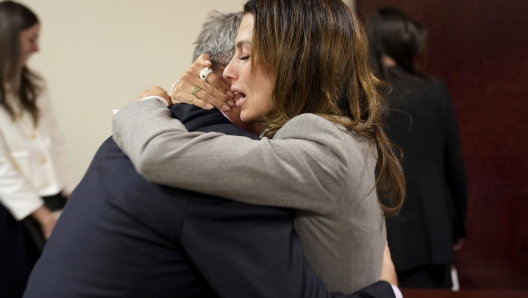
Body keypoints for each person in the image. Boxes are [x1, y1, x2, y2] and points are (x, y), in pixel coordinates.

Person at [24, 11, 400, 298]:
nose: (238, 70)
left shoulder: (134, 132)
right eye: (238, 56)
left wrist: (150, 102)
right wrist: (388, 290)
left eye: (248, 56)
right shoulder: (213, 164)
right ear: (216, 75)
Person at [366, 7, 468, 288]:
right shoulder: (434, 92)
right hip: (432, 236)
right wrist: (458, 227)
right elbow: (454, 169)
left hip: (380, 238)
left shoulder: (365, 96)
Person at [0, 1, 76, 297]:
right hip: (13, 210)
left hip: (52, 195)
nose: (37, 48)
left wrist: (73, 196)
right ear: (7, 39)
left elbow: (55, 144)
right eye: (31, 40)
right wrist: (44, 218)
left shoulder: (34, 85)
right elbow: (2, 168)